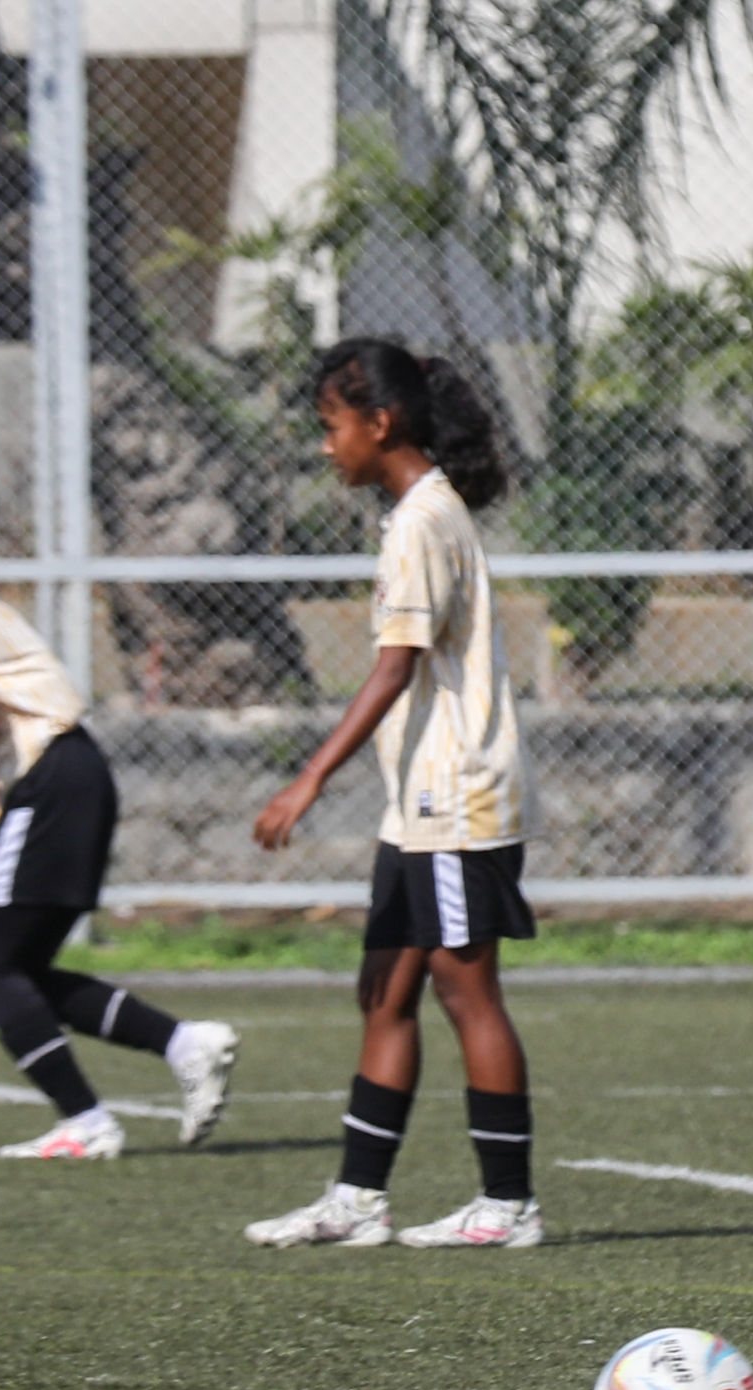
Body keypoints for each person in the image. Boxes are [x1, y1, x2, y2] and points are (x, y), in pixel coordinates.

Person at [0, 444, 238, 1160]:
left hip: (58, 777)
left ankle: (87, 1122)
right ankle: (183, 1044)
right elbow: (5, 720)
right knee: (15, 966)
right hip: (60, 777)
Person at [244, 337, 542, 1252]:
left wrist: (307, 777)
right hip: (417, 805)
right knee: (385, 993)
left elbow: (392, 669)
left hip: (455, 800)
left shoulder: (423, 520)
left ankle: (509, 1204)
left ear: (379, 424)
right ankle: (358, 1200)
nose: (325, 445)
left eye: (332, 426)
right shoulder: (417, 513)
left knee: (467, 993)